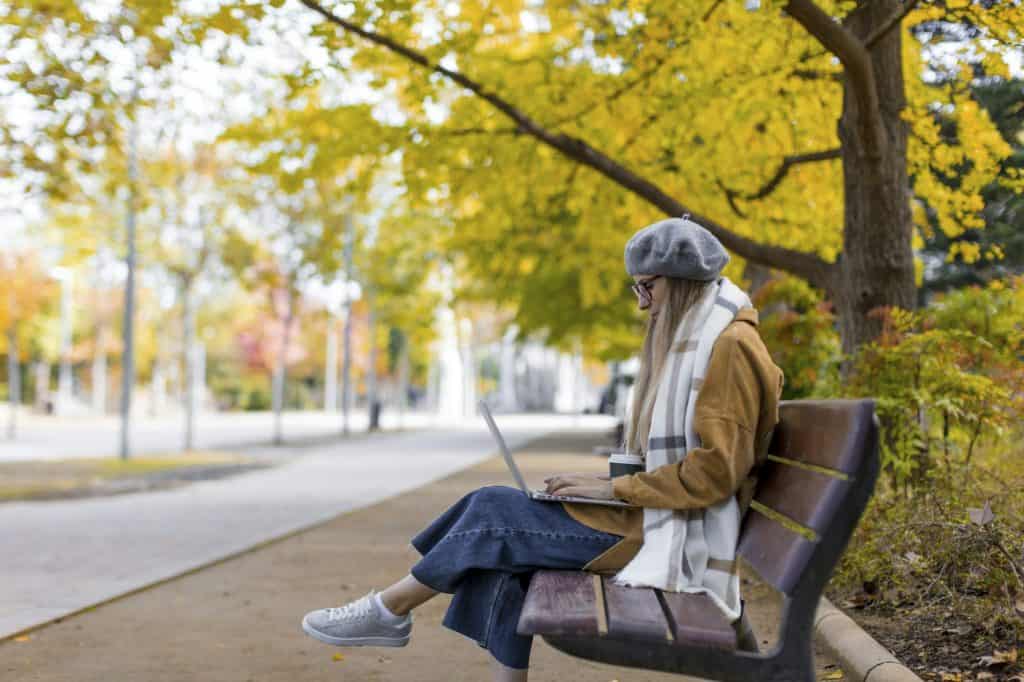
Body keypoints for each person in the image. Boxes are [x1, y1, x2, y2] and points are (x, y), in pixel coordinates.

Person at [300, 216, 784, 682]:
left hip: (670, 534)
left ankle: (390, 609)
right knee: (493, 520)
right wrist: (602, 487)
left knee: (493, 515)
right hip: (655, 519)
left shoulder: (730, 346)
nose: (642, 304)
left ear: (679, 282)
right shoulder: (706, 337)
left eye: (647, 287)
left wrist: (616, 490)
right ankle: (394, 609)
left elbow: (716, 472)